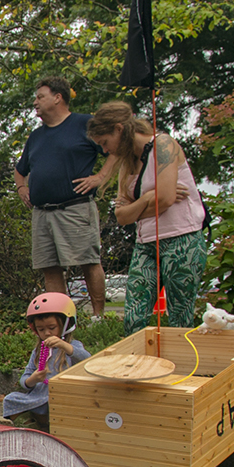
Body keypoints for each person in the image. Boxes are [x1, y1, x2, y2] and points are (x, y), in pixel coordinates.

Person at [87, 101, 208, 333]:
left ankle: (181, 366)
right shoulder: (126, 163)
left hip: (181, 239)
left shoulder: (163, 145)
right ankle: (137, 364)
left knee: (179, 317)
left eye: (105, 142)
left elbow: (165, 199)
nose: (105, 150)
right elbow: (122, 216)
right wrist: (146, 198)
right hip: (146, 245)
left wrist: (142, 205)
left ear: (119, 129)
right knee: (133, 317)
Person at [14, 76, 118, 318]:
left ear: (58, 97)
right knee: (49, 267)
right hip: (42, 213)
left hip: (75, 207)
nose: (35, 102)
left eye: (40, 97)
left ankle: (98, 317)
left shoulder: (85, 124)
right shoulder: (36, 137)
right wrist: (22, 188)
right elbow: (20, 171)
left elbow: (115, 148)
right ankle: (63, 320)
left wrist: (100, 177)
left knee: (89, 261)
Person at [2, 292, 92, 428]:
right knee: (10, 399)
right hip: (39, 395)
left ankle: (46, 424)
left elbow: (87, 360)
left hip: (61, 395)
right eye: (41, 329)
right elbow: (24, 379)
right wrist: (33, 379)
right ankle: (26, 425)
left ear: (65, 325)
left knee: (55, 402)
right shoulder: (38, 350)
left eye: (52, 328)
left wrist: (64, 345)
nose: (47, 333)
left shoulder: (72, 346)